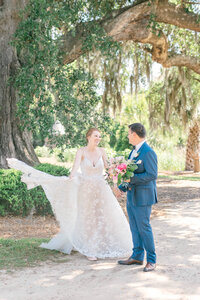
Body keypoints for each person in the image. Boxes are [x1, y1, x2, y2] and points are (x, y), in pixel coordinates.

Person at [7, 128, 132, 261]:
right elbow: (75, 168)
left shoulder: (102, 151)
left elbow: (108, 170)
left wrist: (118, 171)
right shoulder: (81, 152)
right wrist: (70, 179)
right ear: (88, 137)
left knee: (104, 216)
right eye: (96, 136)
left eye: (100, 137)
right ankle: (90, 249)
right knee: (89, 218)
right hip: (86, 190)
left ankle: (105, 245)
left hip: (102, 189)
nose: (98, 139)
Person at [115, 123, 157, 272]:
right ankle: (137, 256)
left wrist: (131, 179)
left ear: (134, 134)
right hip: (132, 196)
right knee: (134, 227)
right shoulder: (132, 152)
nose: (127, 136)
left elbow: (152, 175)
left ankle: (151, 260)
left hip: (144, 197)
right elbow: (127, 175)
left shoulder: (148, 152)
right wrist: (121, 188)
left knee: (144, 228)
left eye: (128, 134)